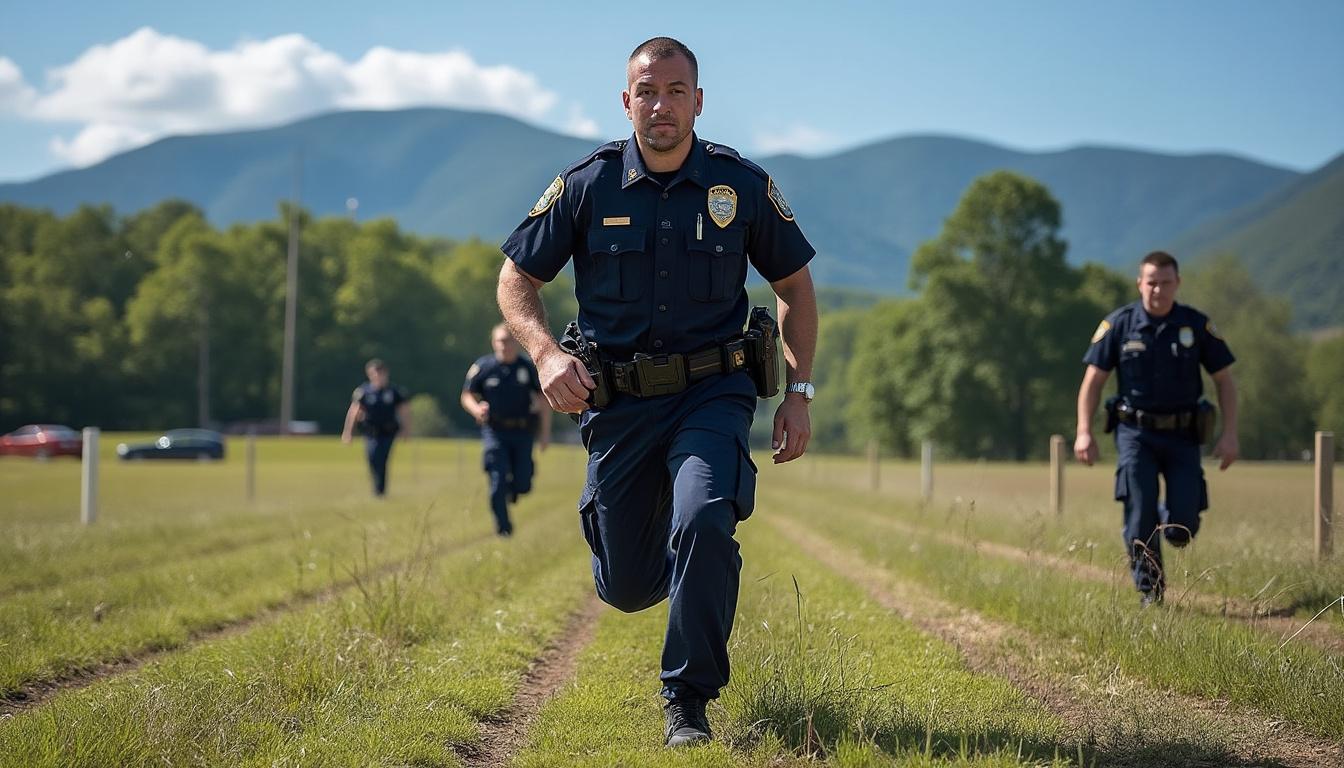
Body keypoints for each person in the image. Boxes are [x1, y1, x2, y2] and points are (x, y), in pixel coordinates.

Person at [496, 37, 818, 747]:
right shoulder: (587, 185)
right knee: (628, 585)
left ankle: (687, 704)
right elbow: (516, 280)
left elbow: (794, 286)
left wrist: (799, 390)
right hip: (619, 403)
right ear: (626, 100)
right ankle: (690, 568)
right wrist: (547, 354)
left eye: (676, 91)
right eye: (648, 91)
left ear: (698, 101)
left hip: (714, 392)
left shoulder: (740, 186)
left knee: (704, 518)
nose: (662, 105)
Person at [1075, 251, 1239, 607]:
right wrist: (1084, 431)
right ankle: (1151, 592)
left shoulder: (1195, 325)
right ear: (1140, 284)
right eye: (1151, 282)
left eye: (1166, 283)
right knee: (1139, 509)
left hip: (1183, 434)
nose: (1158, 290)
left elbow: (1225, 381)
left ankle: (1168, 519)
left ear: (1177, 283)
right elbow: (1093, 381)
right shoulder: (1119, 325)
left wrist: (1229, 434)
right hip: (1136, 434)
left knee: (1181, 528)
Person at [461, 323, 552, 536]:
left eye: (509, 340)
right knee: (497, 482)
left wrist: (545, 433)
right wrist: (477, 409)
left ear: (517, 342)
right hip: (495, 432)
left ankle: (513, 488)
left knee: (523, 484)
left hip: (522, 432)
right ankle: (503, 529)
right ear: (494, 343)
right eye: (500, 340)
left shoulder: (527, 367)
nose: (505, 345)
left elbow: (543, 399)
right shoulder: (483, 367)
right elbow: (466, 395)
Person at [341, 358, 411, 497]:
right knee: (372, 458)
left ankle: (380, 491)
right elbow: (354, 411)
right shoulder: (363, 392)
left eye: (380, 373)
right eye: (374, 373)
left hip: (388, 431)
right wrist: (348, 432)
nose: (377, 376)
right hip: (370, 432)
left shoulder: (394, 392)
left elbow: (404, 411)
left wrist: (406, 430)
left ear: (385, 373)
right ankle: (377, 487)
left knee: (383, 459)